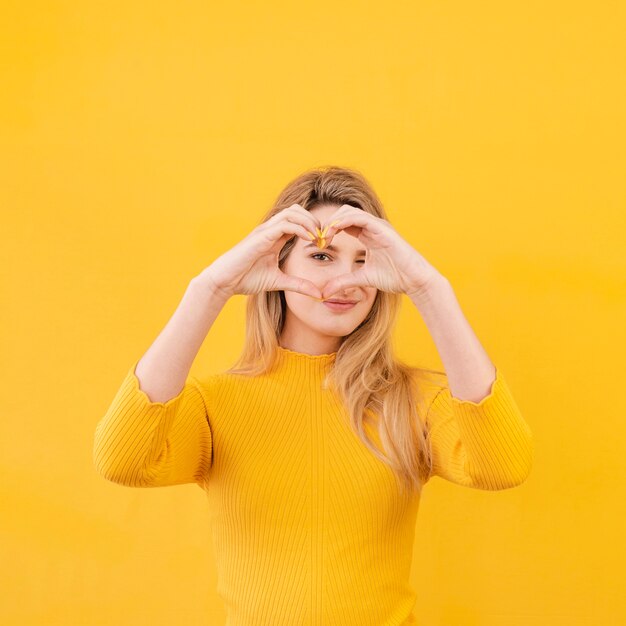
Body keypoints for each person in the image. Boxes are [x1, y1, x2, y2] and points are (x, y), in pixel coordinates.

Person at [93, 165, 533, 625]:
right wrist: (210, 290)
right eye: (323, 256)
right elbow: (123, 461)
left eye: (364, 260)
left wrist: (429, 289)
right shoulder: (215, 403)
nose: (348, 280)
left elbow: (501, 466)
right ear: (275, 264)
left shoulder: (413, 399)